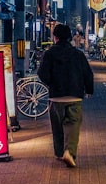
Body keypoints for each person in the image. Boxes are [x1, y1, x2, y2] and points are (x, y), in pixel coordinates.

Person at [38, 24, 94, 168]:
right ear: (69, 37)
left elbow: (42, 74)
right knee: (73, 125)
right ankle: (69, 152)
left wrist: (51, 82)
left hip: (56, 96)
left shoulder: (49, 53)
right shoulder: (78, 54)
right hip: (75, 95)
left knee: (57, 126)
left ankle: (58, 152)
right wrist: (89, 89)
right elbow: (87, 73)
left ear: (55, 37)